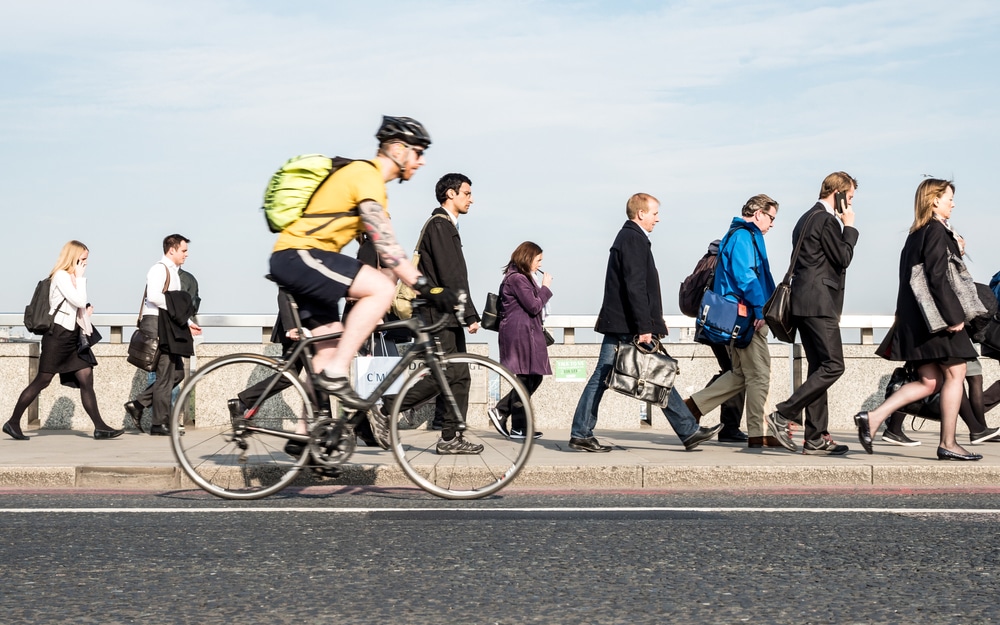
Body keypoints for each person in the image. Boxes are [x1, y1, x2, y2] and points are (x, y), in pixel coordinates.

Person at [266, 116, 458, 451]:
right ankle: (340, 372)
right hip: (300, 254)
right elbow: (386, 246)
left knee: (325, 350)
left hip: (305, 261)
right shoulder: (366, 175)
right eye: (418, 152)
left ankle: (302, 434)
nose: (422, 160)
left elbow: (386, 252)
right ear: (398, 150)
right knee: (380, 290)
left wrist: (420, 287)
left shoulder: (369, 182)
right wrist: (426, 286)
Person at [569, 193, 721, 452]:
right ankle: (581, 432)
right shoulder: (633, 239)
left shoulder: (630, 237)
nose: (657, 219)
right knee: (651, 372)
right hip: (627, 324)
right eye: (654, 213)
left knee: (644, 372)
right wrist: (645, 327)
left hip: (623, 322)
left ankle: (687, 430)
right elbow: (635, 286)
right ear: (641, 213)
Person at [854, 179, 982, 461]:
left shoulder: (916, 234)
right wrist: (953, 317)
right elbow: (937, 277)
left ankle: (873, 418)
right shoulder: (936, 231)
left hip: (916, 322)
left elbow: (912, 279)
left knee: (929, 382)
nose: (953, 203)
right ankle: (948, 443)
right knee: (957, 372)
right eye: (949, 198)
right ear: (934, 200)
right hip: (937, 321)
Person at [378, 173, 484, 454]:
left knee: (460, 376)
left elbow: (454, 275)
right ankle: (387, 408)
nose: (471, 199)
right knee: (446, 375)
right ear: (450, 194)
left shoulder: (448, 226)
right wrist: (470, 313)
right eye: (466, 193)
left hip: (446, 314)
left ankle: (451, 437)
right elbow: (452, 274)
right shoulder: (439, 225)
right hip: (435, 315)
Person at [765, 172, 859, 454]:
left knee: (819, 368)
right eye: (850, 197)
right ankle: (783, 414)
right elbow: (843, 258)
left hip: (803, 303)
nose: (851, 204)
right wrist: (850, 227)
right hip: (819, 303)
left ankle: (816, 436)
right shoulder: (826, 219)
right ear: (839, 194)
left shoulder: (805, 218)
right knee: (833, 366)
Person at [683, 195, 781, 450]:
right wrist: (760, 309)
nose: (772, 224)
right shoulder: (744, 236)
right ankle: (758, 434)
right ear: (758, 213)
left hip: (738, 315)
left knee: (739, 374)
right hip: (747, 315)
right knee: (759, 374)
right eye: (771, 217)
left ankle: (691, 407)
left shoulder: (737, 234)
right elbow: (746, 276)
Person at [4, 241, 124, 441]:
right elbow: (78, 301)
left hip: (72, 337)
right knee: (42, 380)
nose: (85, 263)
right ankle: (13, 422)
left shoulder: (70, 277)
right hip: (57, 337)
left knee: (86, 377)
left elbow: (78, 306)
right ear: (73, 257)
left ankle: (100, 427)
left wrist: (85, 309)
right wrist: (80, 278)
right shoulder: (61, 276)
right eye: (83, 259)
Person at [124, 234, 202, 436]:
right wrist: (177, 310)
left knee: (177, 373)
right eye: (183, 250)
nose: (186, 254)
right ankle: (159, 424)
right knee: (166, 374)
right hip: (157, 324)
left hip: (167, 324)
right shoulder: (159, 269)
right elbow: (154, 296)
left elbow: (174, 305)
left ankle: (139, 404)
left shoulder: (173, 272)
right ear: (172, 250)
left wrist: (188, 322)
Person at [488, 241, 553, 440]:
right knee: (526, 377)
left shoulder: (521, 277)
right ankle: (501, 411)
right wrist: (545, 288)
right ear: (527, 257)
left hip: (527, 333)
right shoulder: (516, 279)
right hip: (519, 334)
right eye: (538, 260)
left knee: (532, 377)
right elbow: (533, 306)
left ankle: (518, 427)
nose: (540, 265)